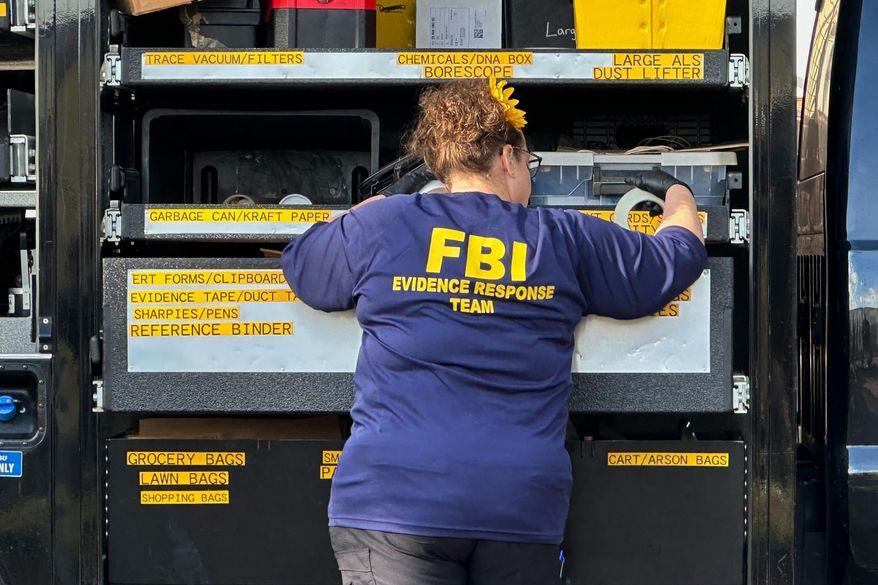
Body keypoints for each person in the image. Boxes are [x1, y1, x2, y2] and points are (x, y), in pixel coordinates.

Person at [281, 78, 707, 585]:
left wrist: (372, 207)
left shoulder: (387, 224)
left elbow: (304, 265)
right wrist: (679, 196)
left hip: (394, 505)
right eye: (530, 164)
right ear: (507, 158)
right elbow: (671, 261)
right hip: (517, 509)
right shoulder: (564, 238)